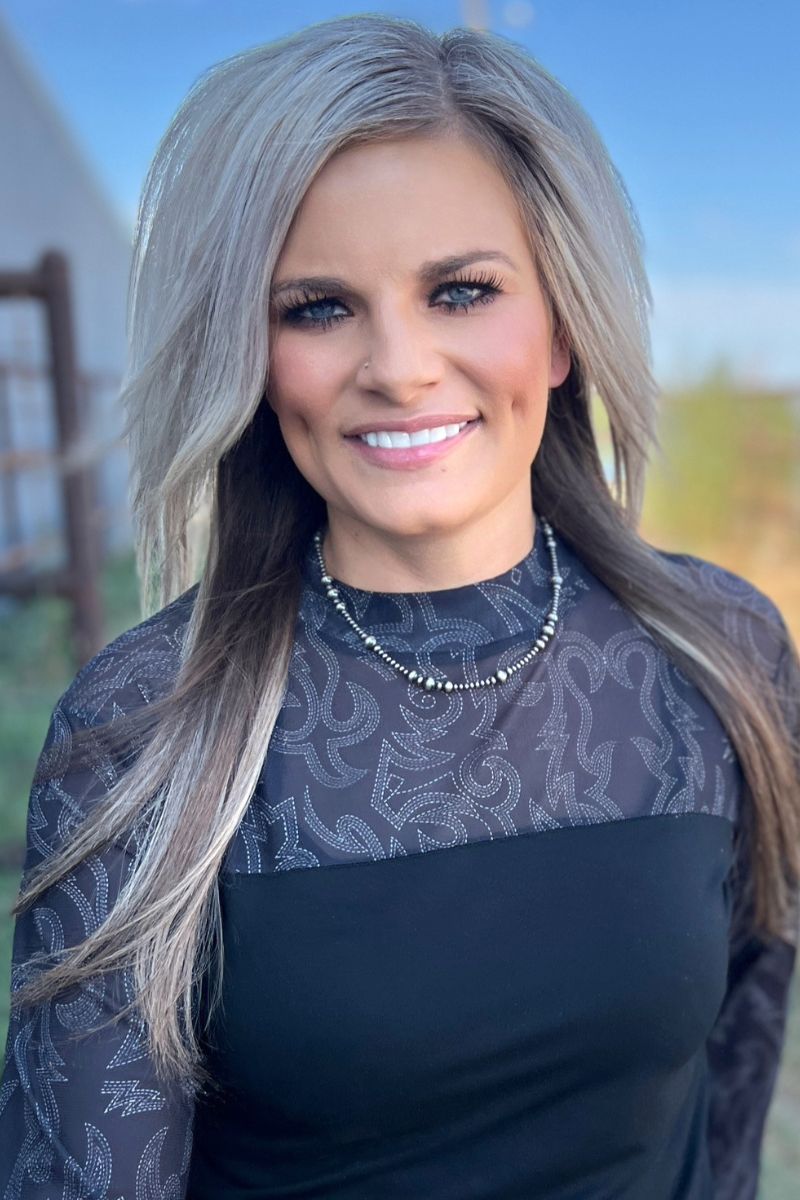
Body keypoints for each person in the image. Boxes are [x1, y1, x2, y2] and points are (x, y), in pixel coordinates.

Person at [1, 12, 798, 1199]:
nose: (399, 366)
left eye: (460, 291)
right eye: (316, 307)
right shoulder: (141, 730)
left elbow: (728, 1100)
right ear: (248, 355)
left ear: (562, 324)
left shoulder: (719, 650)